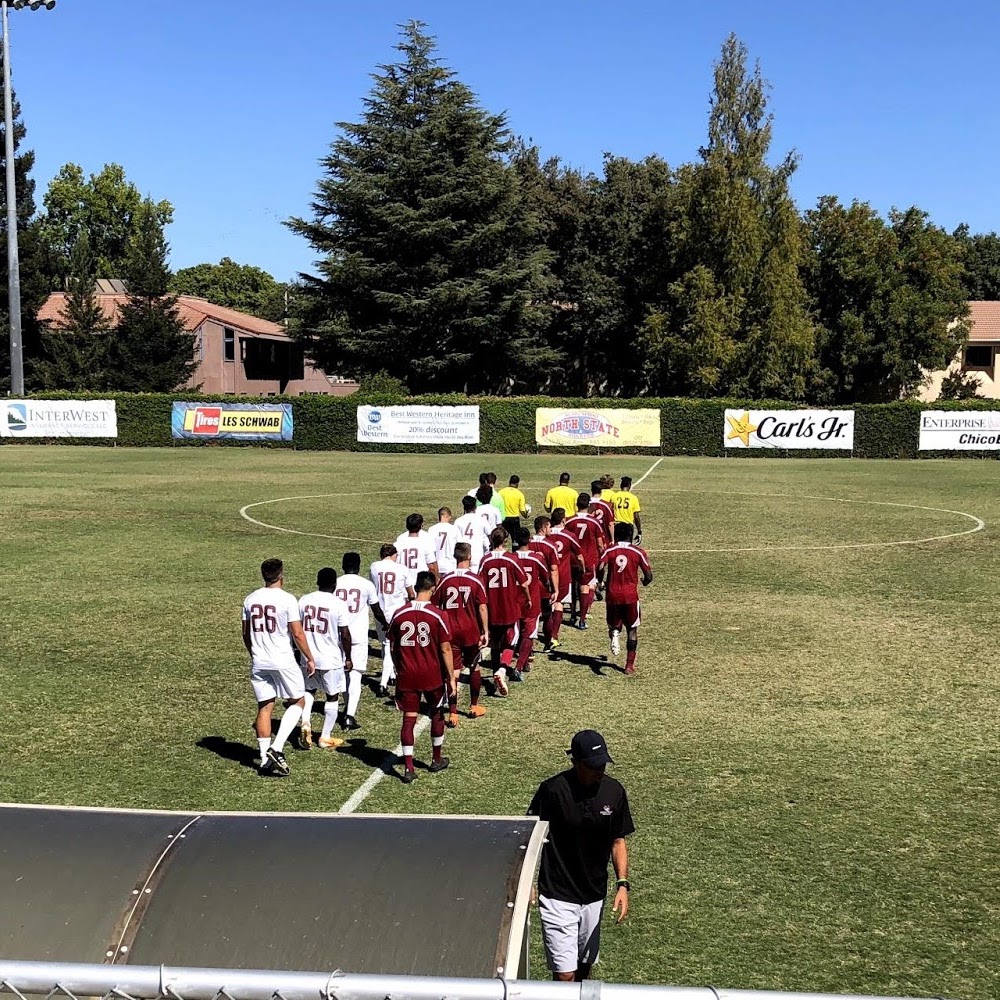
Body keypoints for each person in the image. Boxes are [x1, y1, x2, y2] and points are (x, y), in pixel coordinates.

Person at [528, 730, 634, 982]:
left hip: (594, 894)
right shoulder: (552, 791)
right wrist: (527, 882)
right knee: (565, 975)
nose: (600, 770)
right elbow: (529, 836)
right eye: (593, 765)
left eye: (603, 764)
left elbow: (618, 841)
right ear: (576, 762)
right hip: (557, 893)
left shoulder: (614, 792)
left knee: (584, 969)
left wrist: (622, 884)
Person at [242, 558, 314, 777]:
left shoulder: (250, 599)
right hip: (282, 659)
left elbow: (246, 634)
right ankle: (277, 747)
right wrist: (309, 657)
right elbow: (297, 633)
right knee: (298, 700)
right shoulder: (287, 599)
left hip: (259, 659)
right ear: (281, 575)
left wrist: (253, 653)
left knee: (265, 706)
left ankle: (264, 759)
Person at [389, 570, 455, 783]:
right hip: (431, 674)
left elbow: (392, 645)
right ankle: (436, 759)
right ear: (433, 589)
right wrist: (451, 677)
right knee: (436, 714)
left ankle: (408, 767)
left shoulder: (400, 613)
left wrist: (399, 665)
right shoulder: (438, 614)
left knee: (408, 719)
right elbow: (445, 648)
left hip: (407, 673)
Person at [433, 542, 489, 724]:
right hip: (470, 630)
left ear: (455, 557)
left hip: (450, 630)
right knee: (474, 667)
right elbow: (482, 607)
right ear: (470, 557)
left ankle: (453, 712)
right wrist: (485, 630)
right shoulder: (475, 579)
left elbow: (435, 604)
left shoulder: (445, 579)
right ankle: (474, 706)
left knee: (453, 672)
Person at [298, 567, 353, 750]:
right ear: (335, 584)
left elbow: (296, 629)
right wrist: (348, 657)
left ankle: (305, 722)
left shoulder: (304, 600)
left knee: (308, 690)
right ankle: (324, 737)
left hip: (308, 656)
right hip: (330, 658)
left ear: (317, 581)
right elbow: (344, 634)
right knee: (332, 697)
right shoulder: (338, 604)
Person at [335, 552, 388, 729]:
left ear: (343, 565)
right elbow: (377, 610)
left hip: (338, 635)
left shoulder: (336, 583)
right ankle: (350, 714)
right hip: (357, 636)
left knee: (343, 674)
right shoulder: (366, 585)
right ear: (358, 566)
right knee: (356, 675)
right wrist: (386, 625)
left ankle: (347, 709)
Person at [479, 526, 531, 696]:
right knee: (511, 641)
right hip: (509, 606)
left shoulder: (485, 560)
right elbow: (523, 583)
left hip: (492, 607)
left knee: (495, 643)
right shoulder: (512, 558)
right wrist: (528, 598)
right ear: (506, 540)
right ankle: (501, 670)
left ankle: (495, 672)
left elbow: (480, 584)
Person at [596, 522, 653, 674]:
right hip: (630, 596)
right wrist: (645, 582)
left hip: (612, 594)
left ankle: (615, 633)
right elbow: (649, 576)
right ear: (630, 535)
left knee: (614, 624)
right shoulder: (638, 551)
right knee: (632, 629)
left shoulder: (610, 550)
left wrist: (600, 581)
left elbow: (600, 566)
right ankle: (629, 666)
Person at [370, 543, 416, 694]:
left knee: (385, 644)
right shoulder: (402, 569)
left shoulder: (374, 567)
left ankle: (390, 675)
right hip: (396, 611)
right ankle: (383, 682)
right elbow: (411, 593)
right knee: (392, 646)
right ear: (394, 555)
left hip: (379, 611)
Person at [513, 526, 552, 674]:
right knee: (529, 633)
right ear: (529, 540)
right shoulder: (537, 558)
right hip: (531, 600)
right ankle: (520, 665)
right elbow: (545, 577)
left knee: (518, 630)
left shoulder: (511, 557)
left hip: (514, 599)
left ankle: (524, 657)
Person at [565, 494, 607, 630]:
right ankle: (582, 619)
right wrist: (602, 556)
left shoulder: (569, 521)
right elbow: (600, 544)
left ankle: (572, 615)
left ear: (576, 504)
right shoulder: (594, 522)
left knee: (572, 586)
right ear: (588, 505)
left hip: (572, 559)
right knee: (585, 586)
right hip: (588, 559)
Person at [547, 509, 585, 648]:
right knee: (559, 603)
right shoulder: (569, 535)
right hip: (562, 574)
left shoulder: (547, 535)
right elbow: (579, 556)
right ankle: (554, 636)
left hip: (546, 575)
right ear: (563, 520)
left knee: (546, 605)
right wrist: (583, 567)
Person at [527, 515, 561, 648]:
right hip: (543, 585)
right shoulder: (550, 545)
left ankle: (528, 646)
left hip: (529, 584)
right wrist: (556, 589)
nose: (551, 529)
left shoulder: (527, 543)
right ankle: (548, 641)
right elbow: (553, 569)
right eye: (549, 526)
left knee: (529, 616)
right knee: (547, 614)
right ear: (544, 527)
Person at [394, 513, 439, 578]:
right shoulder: (425, 542)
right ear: (420, 526)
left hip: (403, 578)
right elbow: (431, 565)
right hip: (420, 581)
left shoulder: (399, 540)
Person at [454, 494, 490, 569]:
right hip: (478, 556)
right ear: (475, 507)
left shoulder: (458, 521)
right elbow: (490, 536)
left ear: (464, 508)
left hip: (463, 558)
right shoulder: (482, 520)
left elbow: (455, 540)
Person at [427, 506, 461, 576]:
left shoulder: (432, 529)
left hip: (437, 565)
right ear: (448, 516)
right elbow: (460, 547)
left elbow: (429, 548)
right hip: (451, 565)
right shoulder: (454, 529)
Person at [498, 475, 531, 545]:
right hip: (514, 519)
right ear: (517, 483)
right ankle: (515, 553)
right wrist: (526, 515)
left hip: (503, 518)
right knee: (516, 540)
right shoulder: (519, 494)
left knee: (501, 538)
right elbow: (522, 510)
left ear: (509, 482)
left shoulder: (501, 492)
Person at [612, 476, 643, 543]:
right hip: (628, 527)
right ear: (629, 486)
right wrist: (639, 531)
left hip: (616, 526)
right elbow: (636, 516)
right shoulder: (633, 498)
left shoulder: (614, 496)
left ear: (621, 486)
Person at [589, 480, 615, 546]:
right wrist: (612, 539)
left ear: (591, 490)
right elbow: (610, 524)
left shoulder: (587, 504)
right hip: (604, 537)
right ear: (601, 491)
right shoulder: (607, 505)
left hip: (590, 537)